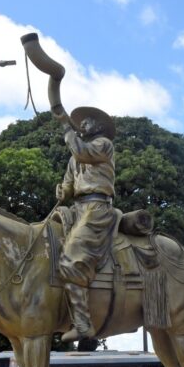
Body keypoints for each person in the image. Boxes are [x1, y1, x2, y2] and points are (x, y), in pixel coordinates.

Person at [55, 107, 117, 342]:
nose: (83, 125)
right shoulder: (75, 157)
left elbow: (83, 153)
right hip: (77, 208)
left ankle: (83, 325)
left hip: (97, 208)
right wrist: (62, 190)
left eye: (88, 122)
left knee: (71, 257)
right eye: (81, 123)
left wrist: (65, 127)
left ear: (99, 127)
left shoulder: (103, 145)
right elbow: (69, 186)